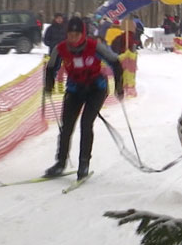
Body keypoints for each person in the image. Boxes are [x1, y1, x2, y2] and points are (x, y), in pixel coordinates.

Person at [44, 16, 124, 180]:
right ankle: (60, 163)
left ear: (83, 34)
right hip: (75, 89)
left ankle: (84, 163)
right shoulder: (60, 49)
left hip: (96, 89)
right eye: (70, 34)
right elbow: (51, 66)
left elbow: (115, 63)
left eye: (76, 34)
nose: (73, 38)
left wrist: (119, 86)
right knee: (66, 127)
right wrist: (49, 85)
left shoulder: (95, 47)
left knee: (86, 124)